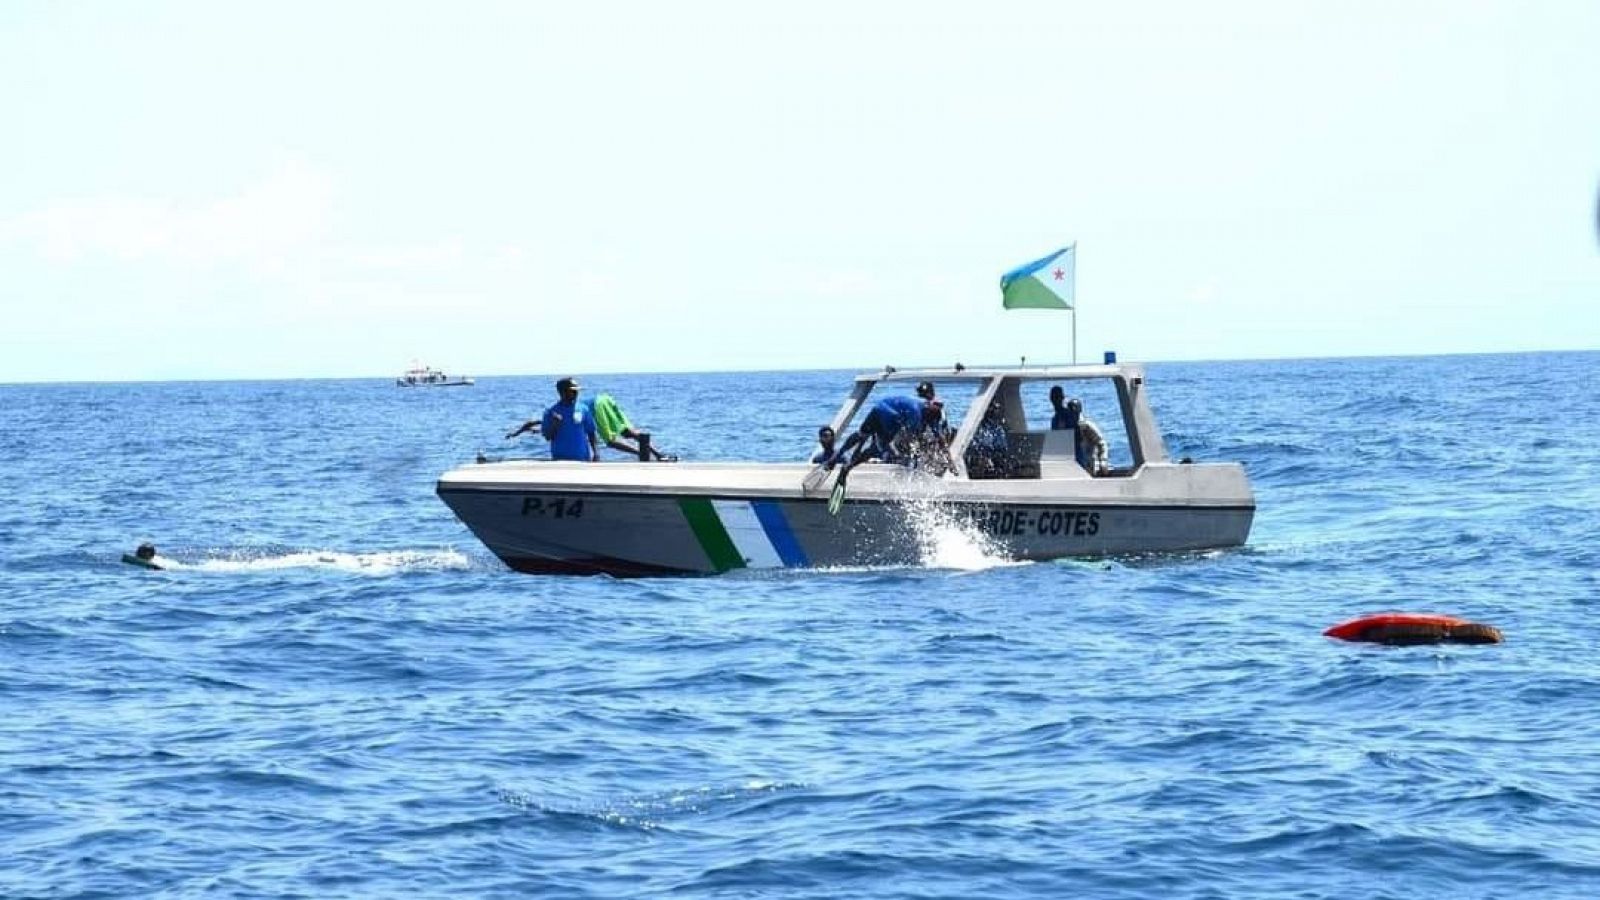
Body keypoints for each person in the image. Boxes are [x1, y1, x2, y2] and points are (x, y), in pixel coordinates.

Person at [829, 395, 948, 478]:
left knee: (862, 434)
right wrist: (911, 456)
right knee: (877, 446)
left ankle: (839, 459)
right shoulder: (916, 414)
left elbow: (939, 438)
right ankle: (845, 462)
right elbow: (911, 438)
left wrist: (949, 461)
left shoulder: (931, 415)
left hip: (879, 407)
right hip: (889, 415)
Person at [512, 377, 598, 461]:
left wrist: (595, 453)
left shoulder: (583, 409)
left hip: (583, 458)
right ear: (562, 392)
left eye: (577, 391)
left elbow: (591, 432)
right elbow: (548, 437)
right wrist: (555, 424)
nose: (576, 393)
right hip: (560, 459)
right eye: (572, 391)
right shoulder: (551, 412)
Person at [965, 398, 1013, 479]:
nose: (995, 411)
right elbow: (973, 446)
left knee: (1001, 461)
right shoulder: (976, 427)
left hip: (994, 456)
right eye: (992, 408)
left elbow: (1002, 448)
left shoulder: (998, 429)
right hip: (979, 456)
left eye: (996, 409)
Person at [1065, 398, 1109, 475]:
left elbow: (1101, 443)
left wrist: (1103, 460)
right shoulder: (1068, 427)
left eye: (1074, 412)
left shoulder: (1087, 425)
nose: (1073, 415)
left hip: (1089, 464)